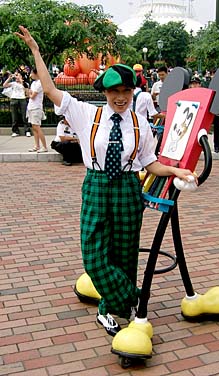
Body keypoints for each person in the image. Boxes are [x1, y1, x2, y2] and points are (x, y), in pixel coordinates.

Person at [16, 25, 197, 337]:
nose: (121, 98)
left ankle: (109, 311)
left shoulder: (141, 123)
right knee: (94, 255)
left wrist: (177, 171)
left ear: (132, 93)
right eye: (114, 92)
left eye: (126, 92)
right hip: (97, 186)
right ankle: (132, 297)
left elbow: (150, 163)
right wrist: (35, 49)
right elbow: (49, 89)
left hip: (128, 189)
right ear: (105, 93)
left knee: (125, 254)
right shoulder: (87, 114)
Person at [3, 71, 31, 137]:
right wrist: (9, 78)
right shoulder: (13, 83)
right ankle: (15, 131)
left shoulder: (25, 83)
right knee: (14, 116)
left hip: (22, 99)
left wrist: (22, 82)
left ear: (21, 76)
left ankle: (27, 130)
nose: (16, 76)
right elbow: (4, 85)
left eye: (18, 75)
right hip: (14, 99)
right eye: (16, 75)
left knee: (24, 116)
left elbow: (27, 93)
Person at [27, 67, 48, 153]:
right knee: (34, 127)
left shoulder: (40, 83)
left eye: (32, 73)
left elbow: (32, 95)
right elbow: (30, 93)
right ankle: (37, 145)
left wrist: (29, 93)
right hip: (31, 107)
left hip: (36, 107)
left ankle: (44, 146)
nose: (31, 75)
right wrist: (30, 93)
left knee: (37, 127)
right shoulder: (33, 83)